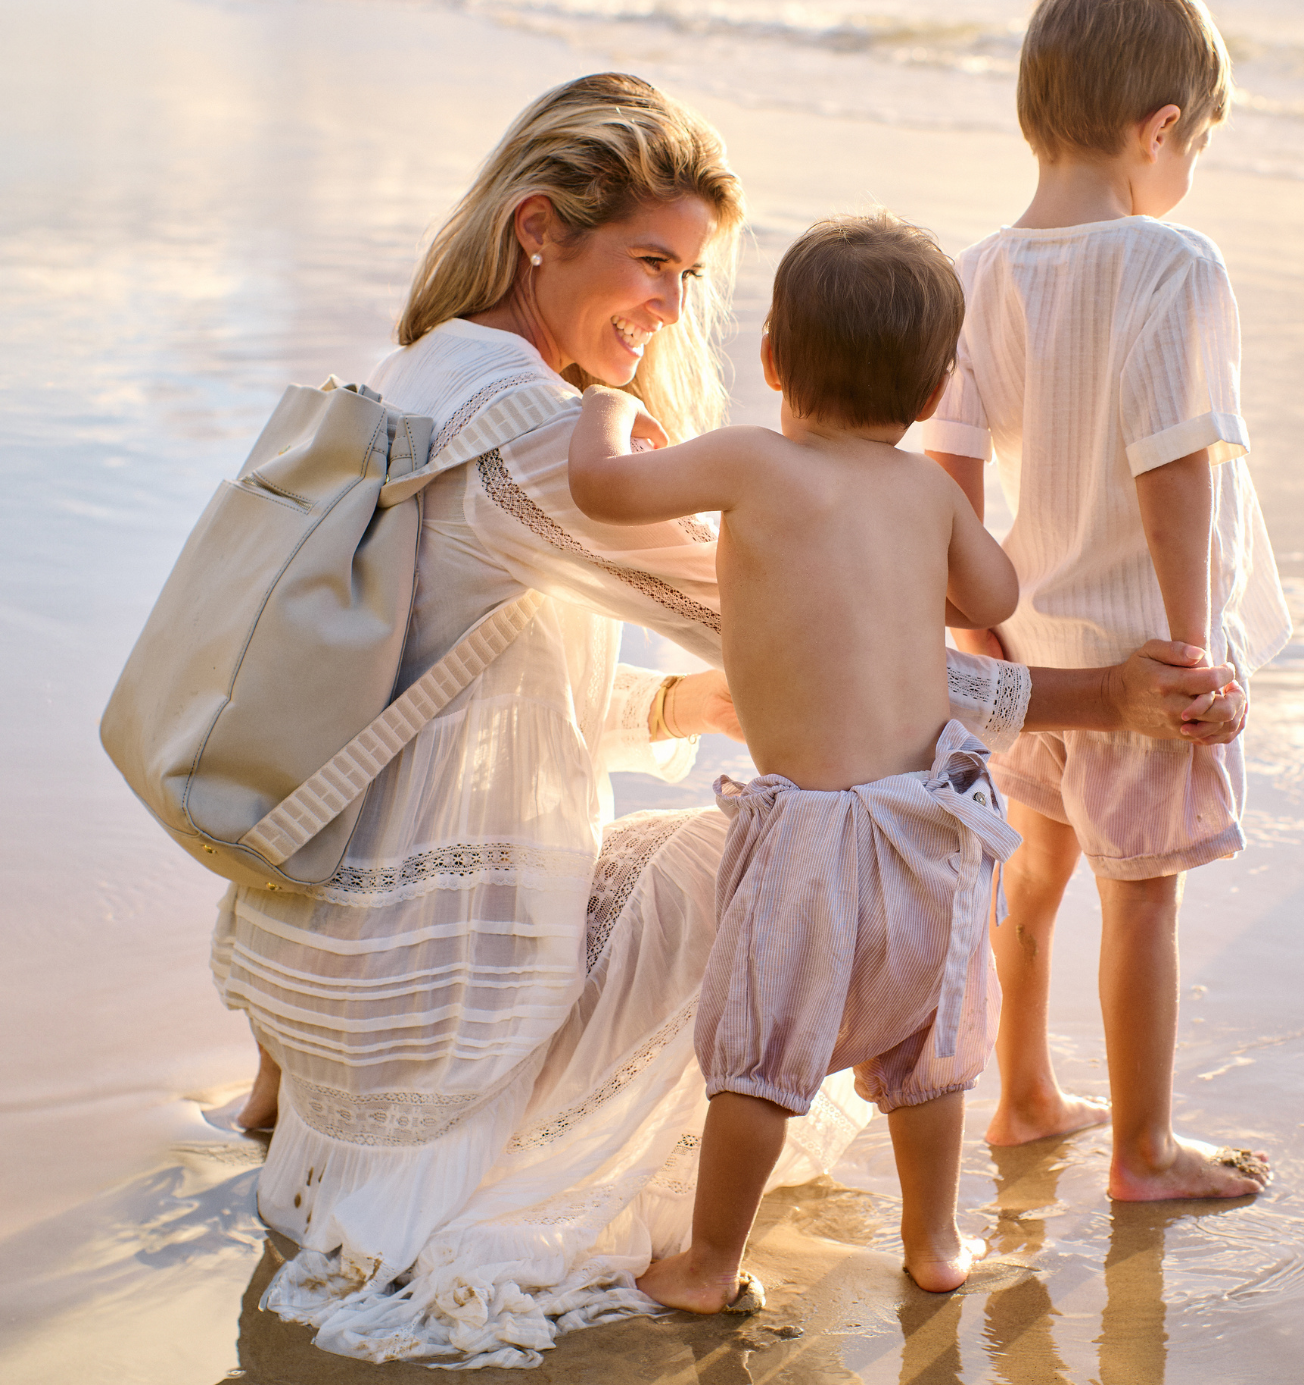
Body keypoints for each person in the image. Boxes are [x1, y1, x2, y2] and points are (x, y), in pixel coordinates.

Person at [210, 73, 1248, 1369]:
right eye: (651, 262)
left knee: (740, 852)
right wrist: (1105, 697)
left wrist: (689, 698)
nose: (665, 306)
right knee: (775, 892)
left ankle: (636, 1211)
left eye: (688, 277)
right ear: (538, 230)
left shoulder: (434, 365)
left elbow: (445, 671)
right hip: (421, 996)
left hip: (323, 933)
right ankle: (845, 1234)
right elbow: (880, 645)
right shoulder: (533, 426)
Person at [568, 212, 1021, 1312]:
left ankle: (711, 1264)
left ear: (771, 359)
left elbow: (605, 492)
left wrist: (603, 408)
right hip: (929, 820)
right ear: (928, 395)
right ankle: (936, 1243)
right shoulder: (925, 492)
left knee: (762, 1060)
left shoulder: (748, 463)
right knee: (927, 1055)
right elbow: (996, 599)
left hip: (814, 831)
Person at [924, 0, 1291, 1200]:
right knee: (1143, 902)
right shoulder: (1172, 262)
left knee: (1035, 870)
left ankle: (1023, 1095)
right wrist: (1193, 648)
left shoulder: (977, 272)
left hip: (1026, 646)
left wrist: (977, 634)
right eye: (1196, 150)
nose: (1188, 179)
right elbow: (1173, 468)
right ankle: (1143, 1149)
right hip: (1137, 650)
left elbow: (951, 469)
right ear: (1162, 128)